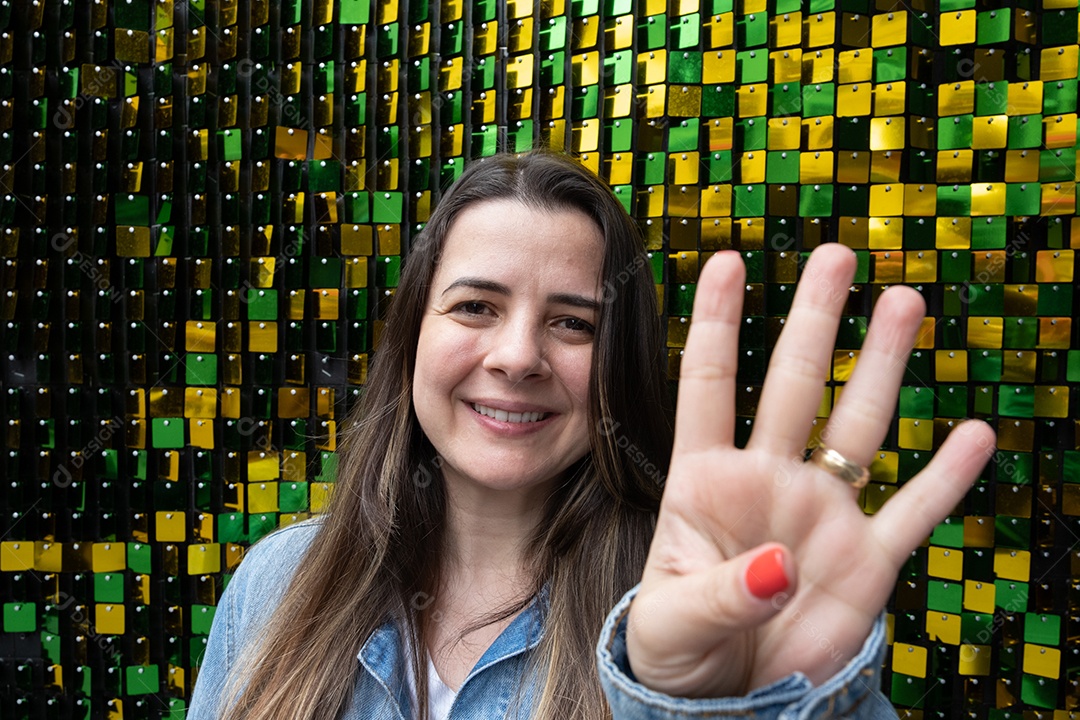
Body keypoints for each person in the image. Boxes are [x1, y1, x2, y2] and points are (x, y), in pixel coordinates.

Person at [187, 151, 994, 720]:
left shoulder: (695, 608)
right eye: (475, 306)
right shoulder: (273, 585)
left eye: (573, 323)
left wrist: (763, 704)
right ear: (410, 339)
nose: (517, 356)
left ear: (617, 368)